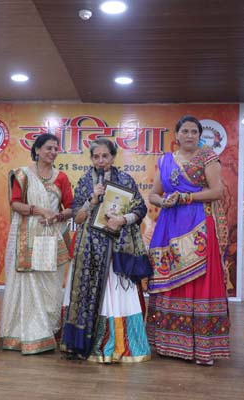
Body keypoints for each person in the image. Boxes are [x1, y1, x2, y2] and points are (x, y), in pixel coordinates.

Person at [146, 115, 230, 365]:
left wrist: (185, 198)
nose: (190, 135)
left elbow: (217, 191)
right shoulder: (165, 160)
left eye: (194, 131)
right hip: (169, 225)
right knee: (170, 279)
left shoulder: (208, 157)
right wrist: (164, 201)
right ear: (177, 135)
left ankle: (203, 347)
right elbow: (153, 194)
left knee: (200, 280)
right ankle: (169, 344)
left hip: (198, 224)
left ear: (200, 135)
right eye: (185, 131)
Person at [61, 138, 151, 363]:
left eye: (105, 156)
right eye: (96, 156)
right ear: (91, 159)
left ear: (113, 157)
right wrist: (92, 199)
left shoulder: (125, 180)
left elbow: (141, 209)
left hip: (117, 246)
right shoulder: (85, 182)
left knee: (116, 296)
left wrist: (122, 220)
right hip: (89, 248)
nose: (101, 161)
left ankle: (118, 344)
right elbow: (78, 218)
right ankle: (86, 344)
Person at [0, 133, 73, 354]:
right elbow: (15, 204)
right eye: (48, 148)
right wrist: (40, 210)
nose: (53, 152)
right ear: (37, 150)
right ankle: (22, 335)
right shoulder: (23, 175)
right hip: (26, 236)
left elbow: (70, 208)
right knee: (27, 283)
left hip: (49, 238)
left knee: (49, 286)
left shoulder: (61, 177)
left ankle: (47, 331)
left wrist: (57, 216)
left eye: (56, 149)